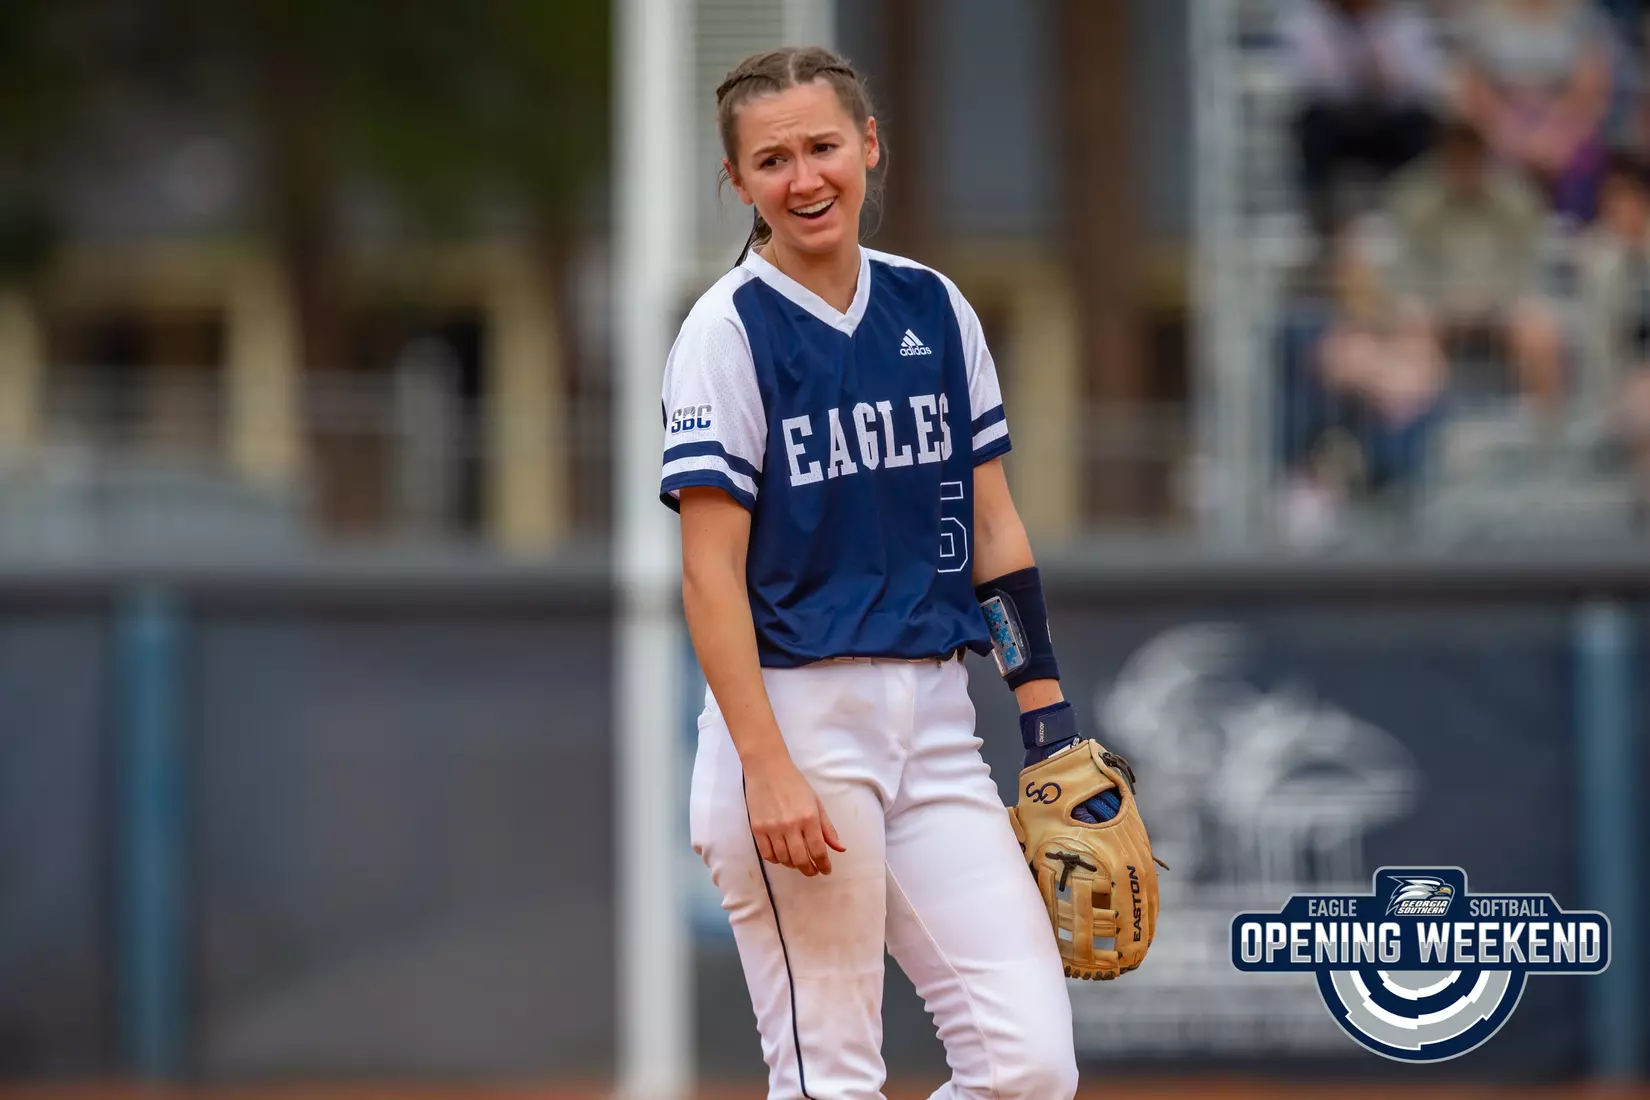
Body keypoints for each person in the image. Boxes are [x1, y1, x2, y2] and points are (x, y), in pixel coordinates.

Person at [659, 46, 1119, 1100]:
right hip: (798, 718)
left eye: (824, 144)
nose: (805, 176)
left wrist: (1042, 709)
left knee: (1029, 1064)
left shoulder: (934, 306)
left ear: (871, 146)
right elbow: (708, 577)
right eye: (771, 158)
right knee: (832, 1075)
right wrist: (765, 763)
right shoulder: (727, 332)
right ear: (738, 182)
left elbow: (994, 526)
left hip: (937, 718)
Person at [1282, 0, 1444, 240]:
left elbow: (1417, 81)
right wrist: (1357, 75)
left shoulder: (1403, 22)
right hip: (1337, 121)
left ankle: (1418, 210)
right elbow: (1312, 82)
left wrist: (1381, 68)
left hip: (1391, 121)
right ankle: (1320, 217)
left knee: (1420, 125)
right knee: (1313, 124)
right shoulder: (1309, 22)